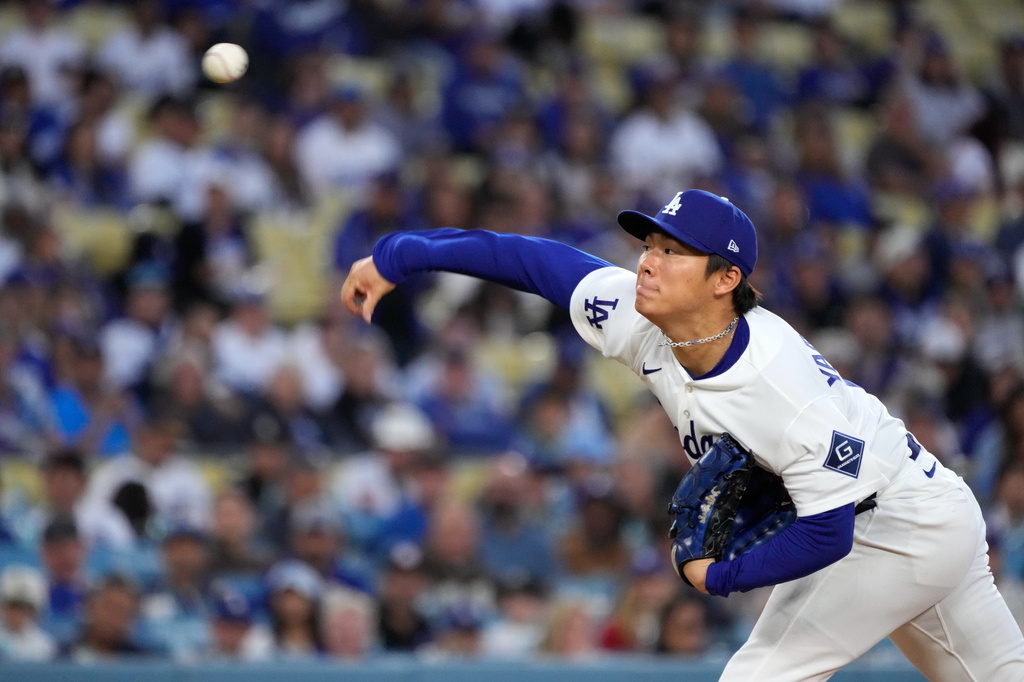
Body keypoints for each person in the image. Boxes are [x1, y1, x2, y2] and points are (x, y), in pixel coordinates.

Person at [341, 188, 1024, 679]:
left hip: (896, 526)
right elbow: (531, 260)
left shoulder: (777, 387)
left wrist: (718, 576)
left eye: (674, 252)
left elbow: (828, 535)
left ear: (726, 279)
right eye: (650, 245)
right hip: (919, 509)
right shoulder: (642, 318)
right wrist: (403, 254)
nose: (648, 262)